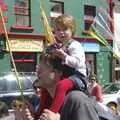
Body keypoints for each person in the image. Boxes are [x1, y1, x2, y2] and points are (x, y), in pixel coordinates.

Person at [41, 14, 88, 113]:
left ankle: (53, 112)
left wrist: (64, 56)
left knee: (61, 85)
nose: (61, 32)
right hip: (65, 76)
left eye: (65, 29)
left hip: (78, 77)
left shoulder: (75, 45)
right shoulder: (60, 46)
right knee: (46, 86)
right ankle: (40, 113)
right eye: (58, 30)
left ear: (72, 30)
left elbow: (78, 63)